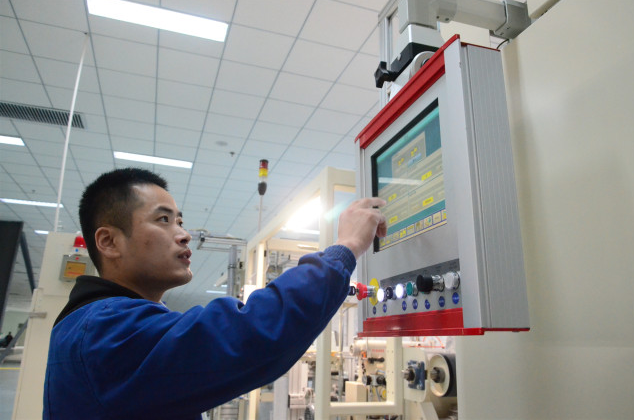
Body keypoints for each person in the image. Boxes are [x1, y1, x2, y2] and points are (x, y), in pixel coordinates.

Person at [44, 167, 386, 419]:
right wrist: (346, 248)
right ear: (109, 242)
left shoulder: (94, 325)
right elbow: (252, 335)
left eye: (180, 221)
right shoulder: (105, 331)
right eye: (163, 220)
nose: (184, 234)